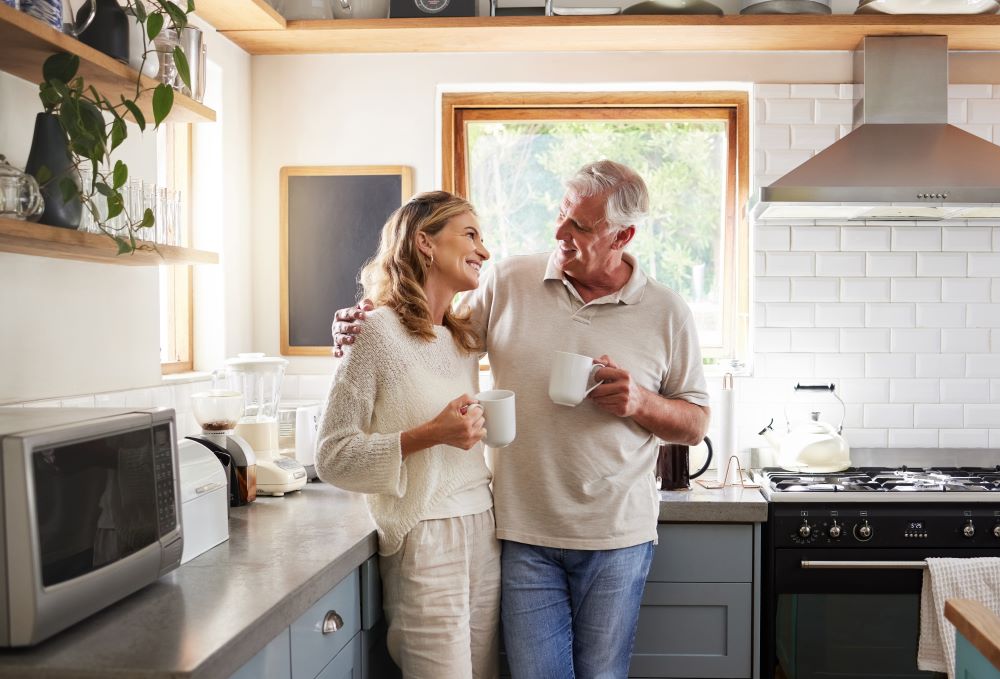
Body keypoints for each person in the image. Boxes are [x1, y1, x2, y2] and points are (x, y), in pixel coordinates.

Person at [333, 161, 710, 679]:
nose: (560, 232)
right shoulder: (510, 281)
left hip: (617, 534)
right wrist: (364, 319)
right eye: (561, 215)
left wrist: (640, 402)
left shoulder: (666, 311)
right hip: (519, 531)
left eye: (581, 225)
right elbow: (436, 334)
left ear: (622, 234)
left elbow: (694, 423)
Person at [316, 190, 501, 679]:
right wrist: (429, 434)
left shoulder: (462, 339)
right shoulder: (374, 334)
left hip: (484, 529)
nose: (483, 250)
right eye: (470, 235)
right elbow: (332, 456)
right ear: (425, 242)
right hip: (424, 535)